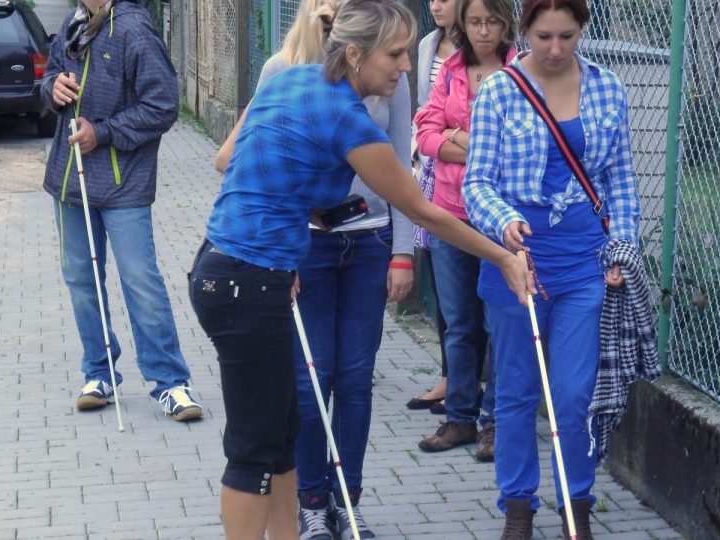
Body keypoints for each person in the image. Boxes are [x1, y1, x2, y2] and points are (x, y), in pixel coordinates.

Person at [188, 1, 535, 538]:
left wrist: (294, 211)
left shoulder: (291, 81)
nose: (406, 66)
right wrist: (504, 258)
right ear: (354, 53)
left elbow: (242, 162)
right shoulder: (345, 116)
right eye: (395, 54)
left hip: (232, 268)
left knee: (282, 439)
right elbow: (423, 211)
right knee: (254, 451)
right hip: (245, 282)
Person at [215, 0, 413, 537]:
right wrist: (288, 249)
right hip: (295, 255)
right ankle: (310, 502)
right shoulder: (283, 72)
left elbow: (404, 168)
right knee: (307, 384)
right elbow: (233, 161)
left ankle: (347, 500)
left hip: (365, 242)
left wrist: (403, 250)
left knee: (352, 380)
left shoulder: (384, 74)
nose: (405, 64)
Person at [462, 0, 642, 537]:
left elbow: (622, 183)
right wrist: (505, 222)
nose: (556, 49)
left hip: (585, 262)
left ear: (583, 30)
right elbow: (476, 184)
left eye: (568, 36)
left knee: (573, 391)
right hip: (517, 264)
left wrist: (621, 248)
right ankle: (518, 507)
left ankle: (576, 502)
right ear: (524, 30)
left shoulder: (609, 86)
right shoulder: (499, 90)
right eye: (544, 37)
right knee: (516, 390)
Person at [41, 0, 202, 421]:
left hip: (121, 181)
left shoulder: (133, 29)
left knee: (139, 279)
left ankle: (171, 382)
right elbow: (46, 80)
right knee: (81, 277)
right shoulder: (73, 23)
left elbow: (163, 105)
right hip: (69, 180)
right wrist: (51, 88)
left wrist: (105, 132)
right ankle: (100, 372)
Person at [413, 0, 518, 462]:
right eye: (474, 22)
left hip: (498, 218)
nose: (482, 31)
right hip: (450, 213)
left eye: (491, 22)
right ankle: (459, 417)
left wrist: (458, 136)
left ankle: (494, 422)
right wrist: (468, 142)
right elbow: (425, 133)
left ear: (506, 22)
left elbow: (515, 144)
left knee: (498, 322)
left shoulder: (520, 72)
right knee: (458, 322)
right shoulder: (451, 68)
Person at [404, 0, 458, 416]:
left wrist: (447, 136)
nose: (436, 4)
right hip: (433, 176)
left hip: (471, 180)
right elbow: (426, 119)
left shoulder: (499, 53)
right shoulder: (426, 45)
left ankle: (469, 385)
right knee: (444, 282)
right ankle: (450, 377)